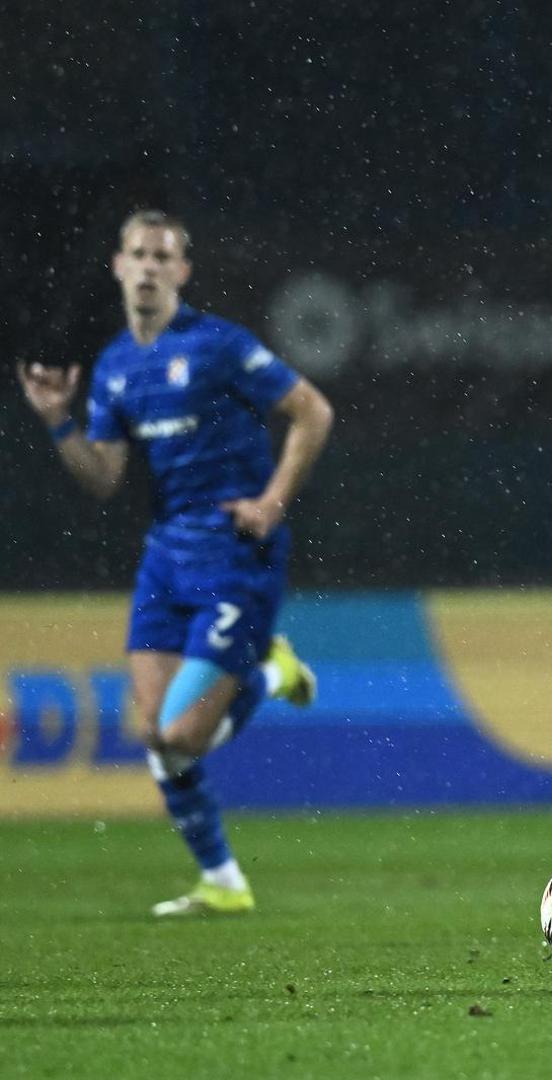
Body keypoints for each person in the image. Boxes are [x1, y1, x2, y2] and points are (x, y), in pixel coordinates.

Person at [17, 210, 334, 917]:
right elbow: (103, 478)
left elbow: (313, 410)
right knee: (155, 736)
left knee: (182, 735)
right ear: (118, 265)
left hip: (235, 552)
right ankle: (223, 882)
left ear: (183, 272)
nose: (150, 267)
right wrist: (59, 420)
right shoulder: (114, 366)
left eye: (164, 256)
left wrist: (273, 501)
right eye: (139, 253)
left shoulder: (218, 345)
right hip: (166, 556)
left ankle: (271, 671)